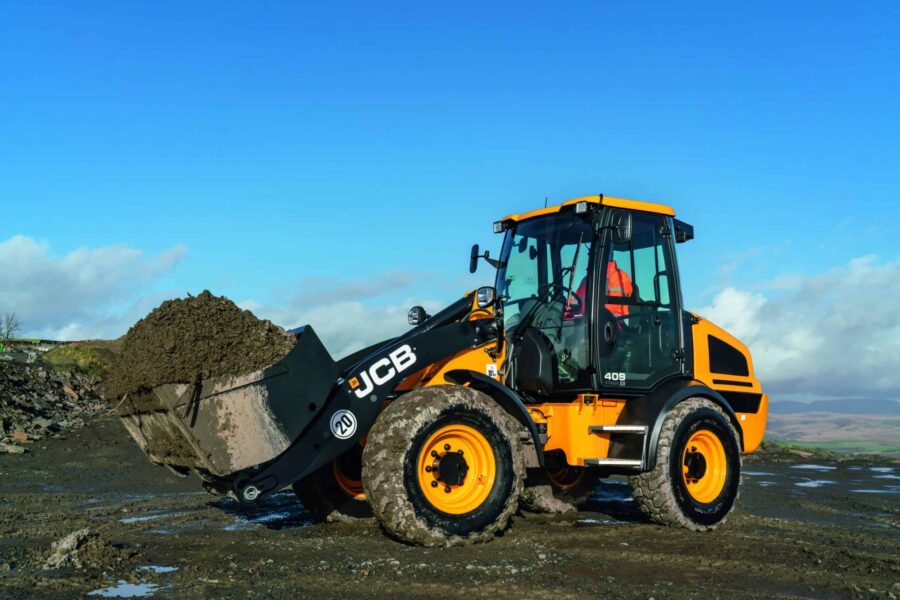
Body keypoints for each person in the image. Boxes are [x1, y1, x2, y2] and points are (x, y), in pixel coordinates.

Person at [563, 259, 633, 320]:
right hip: (586, 325)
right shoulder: (586, 279)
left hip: (612, 326)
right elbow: (578, 303)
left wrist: (585, 315)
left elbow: (613, 308)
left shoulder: (620, 277)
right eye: (590, 252)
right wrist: (567, 308)